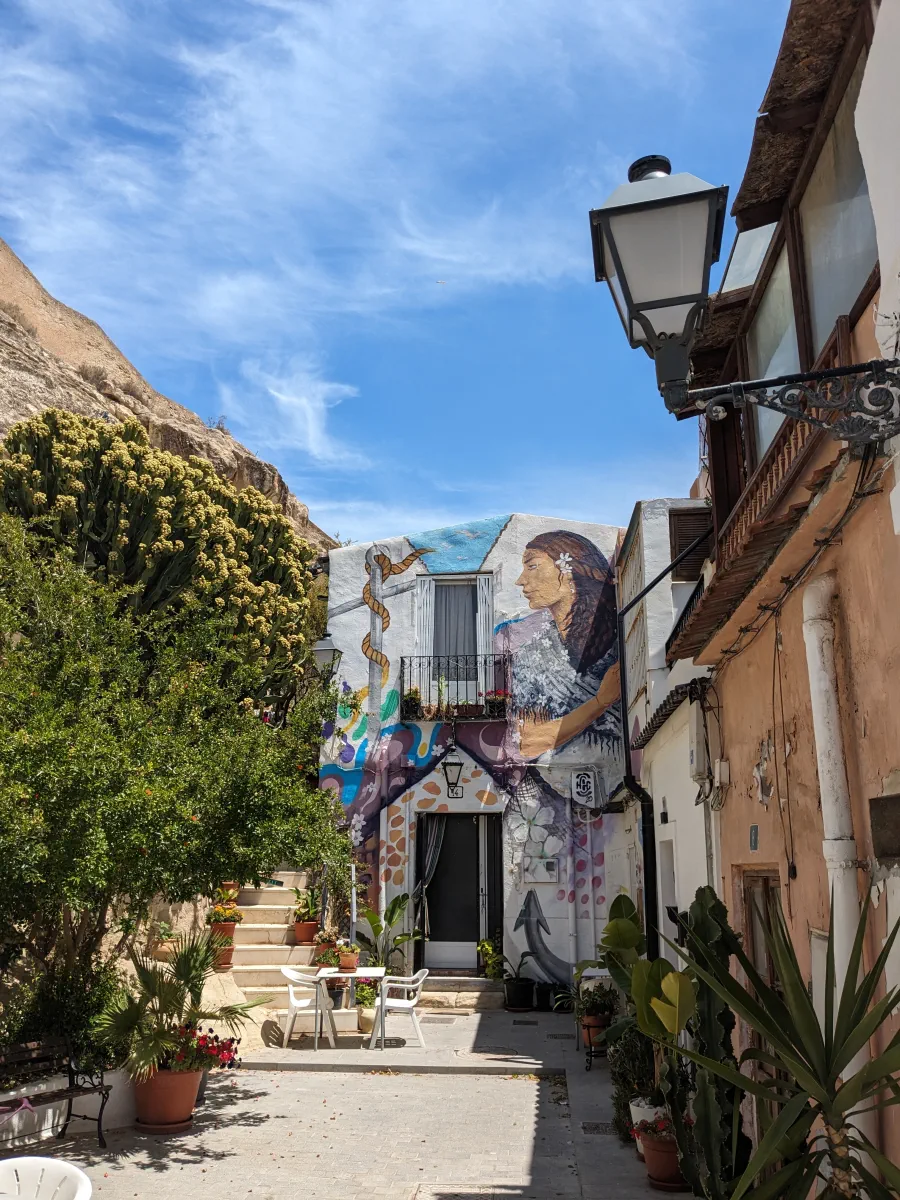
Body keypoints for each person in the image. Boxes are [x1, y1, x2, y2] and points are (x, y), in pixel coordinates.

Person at [496, 530, 621, 761]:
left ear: (568, 572)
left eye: (532, 566)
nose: (520, 580)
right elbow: (527, 742)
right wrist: (599, 702)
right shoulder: (530, 656)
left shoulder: (619, 633)